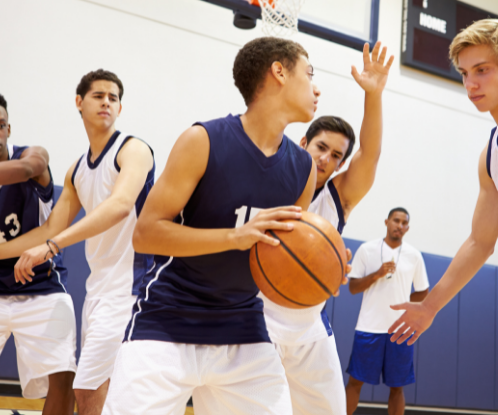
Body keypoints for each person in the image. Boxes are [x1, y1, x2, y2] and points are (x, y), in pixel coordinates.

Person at [102, 37, 320, 415]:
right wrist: (234, 237)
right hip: (168, 319)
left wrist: (319, 265)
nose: (316, 88)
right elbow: (146, 234)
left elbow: (287, 253)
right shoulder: (203, 140)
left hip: (244, 327)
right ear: (279, 72)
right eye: (310, 73)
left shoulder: (304, 167)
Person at [0, 70, 155, 415]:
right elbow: (49, 228)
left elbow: (120, 205)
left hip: (133, 289)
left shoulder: (133, 149)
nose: (106, 102)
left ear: (120, 108)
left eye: (113, 97)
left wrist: (52, 247)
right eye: (98, 95)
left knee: (90, 391)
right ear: (79, 102)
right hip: (99, 291)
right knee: (96, 394)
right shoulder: (77, 170)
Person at [262, 41, 394, 415]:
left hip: (309, 327)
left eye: (336, 155)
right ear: (303, 142)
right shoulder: (269, 179)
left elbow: (370, 154)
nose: (325, 158)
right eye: (321, 147)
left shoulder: (339, 197)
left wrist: (373, 95)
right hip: (259, 320)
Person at [389, 18, 498, 345]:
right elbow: (480, 242)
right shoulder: (490, 155)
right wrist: (430, 306)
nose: (470, 84)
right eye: (464, 73)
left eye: (482, 70)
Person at [0, 94, 76, 415]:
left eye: (0, 125)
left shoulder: (31, 157)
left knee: (63, 375)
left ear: (8, 129)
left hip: (40, 286)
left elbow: (30, 167)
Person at [346, 208, 429, 415]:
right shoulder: (367, 250)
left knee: (397, 387)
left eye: (404, 223)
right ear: (386, 222)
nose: (399, 225)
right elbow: (353, 287)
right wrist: (377, 274)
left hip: (400, 330)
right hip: (369, 328)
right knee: (355, 382)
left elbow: (423, 291)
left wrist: (404, 304)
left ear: (407, 228)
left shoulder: (414, 256)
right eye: (396, 220)